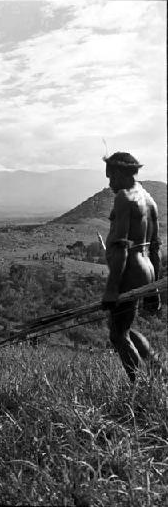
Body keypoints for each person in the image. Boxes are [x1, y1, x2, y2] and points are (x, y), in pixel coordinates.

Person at [101, 152, 165, 382]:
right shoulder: (148, 199)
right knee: (122, 327)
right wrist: (153, 287)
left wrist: (112, 288)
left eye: (111, 177)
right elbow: (156, 245)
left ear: (119, 173)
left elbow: (121, 246)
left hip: (130, 271)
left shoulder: (124, 198)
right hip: (146, 268)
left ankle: (142, 390)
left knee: (118, 335)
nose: (110, 184)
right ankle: (161, 373)